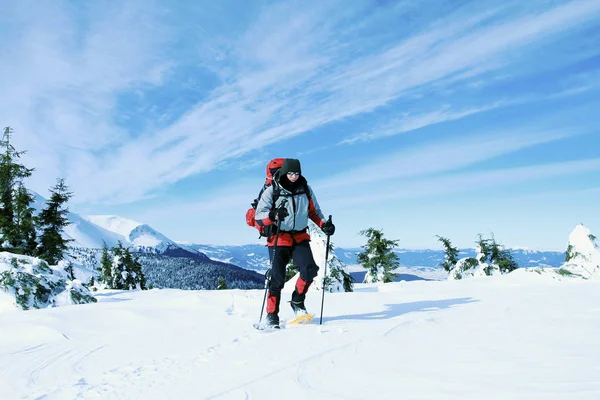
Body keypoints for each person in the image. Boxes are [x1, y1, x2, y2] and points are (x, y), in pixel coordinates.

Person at [254, 158, 335, 327]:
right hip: (278, 237)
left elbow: (314, 211)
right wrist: (273, 215)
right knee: (277, 277)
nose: (293, 176)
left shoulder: (305, 189)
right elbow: (258, 216)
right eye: (290, 173)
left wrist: (324, 225)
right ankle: (271, 314)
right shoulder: (272, 191)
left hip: (299, 236)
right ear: (284, 172)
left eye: (296, 173)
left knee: (310, 269)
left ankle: (297, 301)